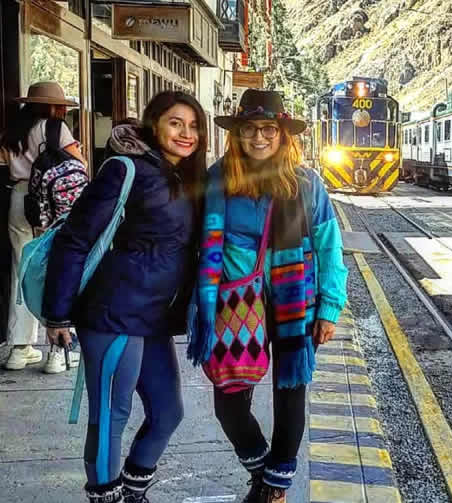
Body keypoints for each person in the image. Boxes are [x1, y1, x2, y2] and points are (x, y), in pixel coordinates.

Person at [44, 91, 207, 503]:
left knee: (168, 412)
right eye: (175, 123)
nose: (186, 133)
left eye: (193, 126)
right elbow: (74, 239)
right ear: (155, 124)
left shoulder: (186, 177)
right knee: (111, 415)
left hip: (153, 318)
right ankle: (105, 495)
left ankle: (132, 492)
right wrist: (57, 315)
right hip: (113, 313)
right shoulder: (125, 169)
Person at [187, 89, 347, 503]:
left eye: (268, 129)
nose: (258, 137)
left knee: (289, 393)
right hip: (235, 304)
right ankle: (262, 472)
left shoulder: (307, 184)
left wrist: (329, 307)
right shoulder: (218, 179)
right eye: (250, 129)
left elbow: (329, 246)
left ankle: (275, 489)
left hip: (296, 304)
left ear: (282, 135)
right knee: (229, 403)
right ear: (237, 133)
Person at [0, 81, 86, 373]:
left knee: (22, 270)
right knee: (55, 269)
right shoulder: (55, 128)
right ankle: (57, 351)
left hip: (19, 199)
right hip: (51, 201)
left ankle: (19, 349)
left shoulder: (12, 131)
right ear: (53, 106)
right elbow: (79, 165)